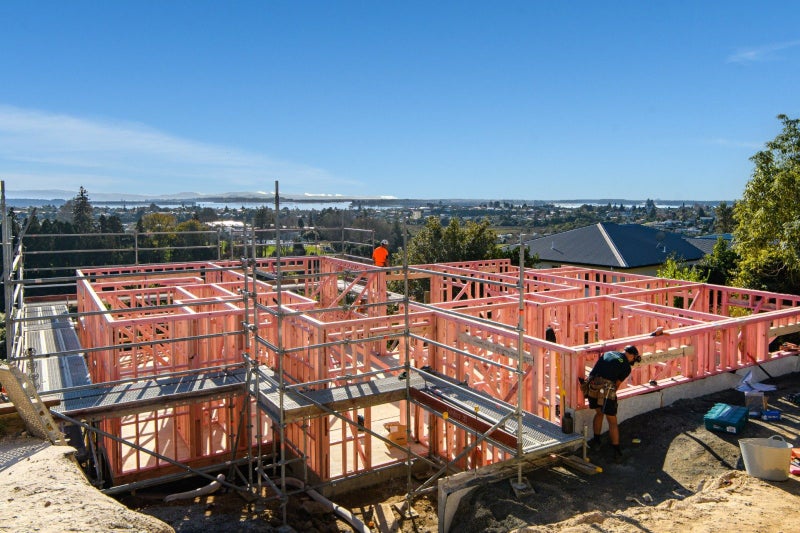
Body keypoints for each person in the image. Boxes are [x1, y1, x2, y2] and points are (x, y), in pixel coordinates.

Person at [582, 345, 641, 460]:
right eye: (633, 358)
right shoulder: (626, 367)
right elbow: (616, 385)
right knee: (612, 420)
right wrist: (611, 398)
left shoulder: (609, 353)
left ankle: (596, 442)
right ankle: (616, 450)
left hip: (592, 386)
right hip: (606, 389)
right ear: (630, 355)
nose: (633, 360)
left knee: (599, 413)